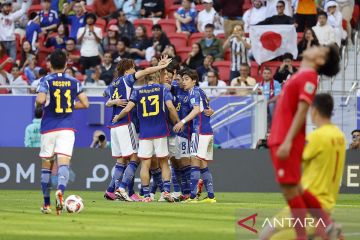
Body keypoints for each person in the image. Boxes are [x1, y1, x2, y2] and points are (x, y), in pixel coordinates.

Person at [268, 44, 340, 240]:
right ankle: (330, 229)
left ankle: (303, 236)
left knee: (290, 191)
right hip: (280, 136)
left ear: (321, 61)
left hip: (285, 139)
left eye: (320, 49)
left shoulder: (309, 76)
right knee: (297, 189)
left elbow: (302, 111)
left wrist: (288, 141)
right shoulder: (301, 75)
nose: (315, 47)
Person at [261, 93, 345, 239]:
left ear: (314, 110)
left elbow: (294, 160)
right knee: (267, 232)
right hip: (326, 202)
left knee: (266, 236)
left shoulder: (317, 136)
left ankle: (330, 231)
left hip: (309, 203)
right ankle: (330, 229)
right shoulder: (339, 135)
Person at [102, 57, 173, 201]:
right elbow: (146, 71)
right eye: (133, 67)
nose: (135, 70)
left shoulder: (112, 84)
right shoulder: (127, 79)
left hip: (113, 125)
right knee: (135, 157)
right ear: (127, 70)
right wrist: (160, 67)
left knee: (122, 161)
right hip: (125, 123)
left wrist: (113, 102)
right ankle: (121, 188)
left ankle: (112, 190)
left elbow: (105, 98)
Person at [35, 49, 89, 214]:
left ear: (50, 64)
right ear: (66, 64)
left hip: (49, 127)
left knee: (46, 166)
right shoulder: (74, 81)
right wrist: (68, 105)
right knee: (63, 163)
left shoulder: (46, 80)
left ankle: (47, 204)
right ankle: (61, 190)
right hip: (67, 127)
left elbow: (40, 100)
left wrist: (41, 104)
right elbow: (86, 104)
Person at [173, 69, 216, 203]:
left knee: (194, 162)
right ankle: (211, 196)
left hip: (199, 130)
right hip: (207, 130)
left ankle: (192, 197)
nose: (184, 82)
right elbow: (205, 106)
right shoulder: (200, 91)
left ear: (194, 81)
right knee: (203, 164)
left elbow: (197, 109)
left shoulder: (193, 92)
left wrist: (182, 121)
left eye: (186, 79)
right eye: (183, 79)